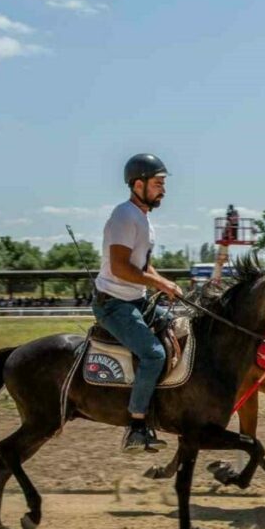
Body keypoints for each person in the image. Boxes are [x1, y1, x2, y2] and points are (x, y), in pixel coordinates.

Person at [92, 153, 184, 453]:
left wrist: (167, 286)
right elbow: (120, 268)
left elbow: (144, 266)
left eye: (163, 184)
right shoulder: (123, 216)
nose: (164, 191)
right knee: (154, 354)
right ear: (138, 183)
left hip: (136, 300)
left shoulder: (143, 219)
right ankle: (136, 426)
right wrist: (159, 284)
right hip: (114, 304)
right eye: (158, 184)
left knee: (178, 327)